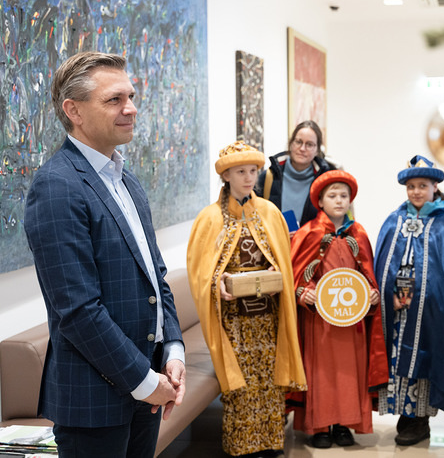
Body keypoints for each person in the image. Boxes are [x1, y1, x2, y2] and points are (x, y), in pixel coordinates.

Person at [23, 51, 186, 458]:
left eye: (130, 96)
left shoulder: (127, 181)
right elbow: (77, 309)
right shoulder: (57, 186)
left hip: (147, 388)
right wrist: (145, 381)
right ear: (73, 110)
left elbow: (156, 279)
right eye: (114, 100)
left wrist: (173, 350)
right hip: (95, 404)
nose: (130, 108)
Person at [187, 141, 306, 457]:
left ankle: (269, 443)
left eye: (253, 171)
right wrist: (219, 283)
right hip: (233, 317)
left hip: (267, 313)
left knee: (268, 379)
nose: (249, 177)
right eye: (241, 172)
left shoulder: (269, 212)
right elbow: (200, 273)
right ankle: (242, 446)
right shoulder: (209, 219)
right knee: (240, 382)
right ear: (226, 175)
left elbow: (283, 259)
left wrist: (273, 271)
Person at [290, 170, 388, 448]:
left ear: (350, 200)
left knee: (349, 373)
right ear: (320, 201)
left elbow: (368, 273)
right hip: (320, 320)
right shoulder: (309, 233)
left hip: (351, 321)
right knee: (321, 372)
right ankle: (320, 425)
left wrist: (371, 294)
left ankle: (344, 424)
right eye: (332, 196)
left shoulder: (358, 234)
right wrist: (303, 293)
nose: (338, 201)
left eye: (343, 196)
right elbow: (297, 274)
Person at [374, 155, 444, 446]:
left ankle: (420, 419)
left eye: (422, 185)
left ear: (435, 186)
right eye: (411, 186)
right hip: (398, 311)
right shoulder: (393, 221)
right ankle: (404, 415)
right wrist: (390, 294)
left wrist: (424, 295)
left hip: (430, 312)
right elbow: (382, 264)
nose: (416, 192)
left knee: (425, 357)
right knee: (399, 360)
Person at [254, 120, 335, 229]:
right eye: (298, 142)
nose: (302, 149)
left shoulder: (326, 181)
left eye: (309, 144)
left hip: (312, 245)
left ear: (317, 150)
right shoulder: (269, 177)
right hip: (276, 244)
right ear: (291, 143)